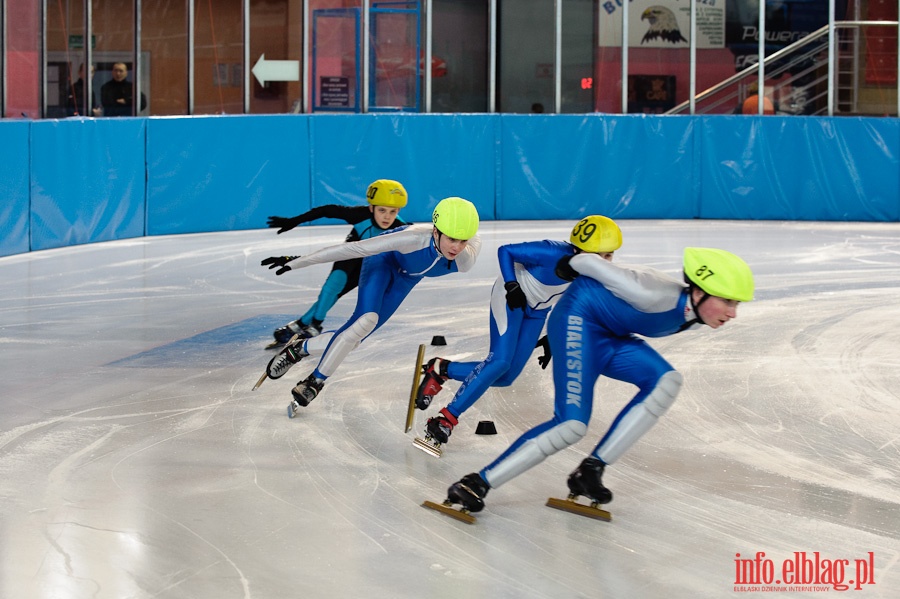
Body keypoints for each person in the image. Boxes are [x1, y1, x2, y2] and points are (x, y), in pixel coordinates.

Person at [440, 247, 754, 515]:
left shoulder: (696, 318)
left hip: (609, 336)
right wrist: (567, 269)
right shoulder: (651, 291)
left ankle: (590, 471)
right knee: (572, 425)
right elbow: (588, 262)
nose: (733, 313)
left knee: (666, 380)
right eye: (727, 301)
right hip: (577, 321)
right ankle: (476, 482)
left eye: (737, 304)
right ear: (698, 291)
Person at [414, 216, 623, 452]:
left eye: (609, 255)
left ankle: (441, 369)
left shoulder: (594, 277)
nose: (605, 263)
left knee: (506, 377)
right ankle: (446, 418)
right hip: (511, 300)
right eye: (598, 256)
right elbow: (506, 251)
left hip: (537, 312)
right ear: (578, 250)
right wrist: (512, 285)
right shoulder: (551, 252)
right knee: (499, 361)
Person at [259, 197, 482, 416]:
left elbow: (467, 255)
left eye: (463, 241)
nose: (457, 247)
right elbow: (354, 249)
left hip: (407, 279)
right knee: (365, 321)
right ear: (436, 232)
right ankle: (314, 382)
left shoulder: (468, 252)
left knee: (352, 339)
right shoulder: (411, 238)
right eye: (452, 239)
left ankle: (299, 349)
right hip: (382, 262)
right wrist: (295, 261)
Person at [265, 179, 410, 346]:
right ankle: (315, 325)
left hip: (369, 265)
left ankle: (302, 323)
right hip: (350, 255)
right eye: (382, 210)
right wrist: (294, 221)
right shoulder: (360, 215)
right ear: (371, 208)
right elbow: (327, 210)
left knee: (335, 294)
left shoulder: (401, 228)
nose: (387, 216)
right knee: (331, 288)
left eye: (393, 212)